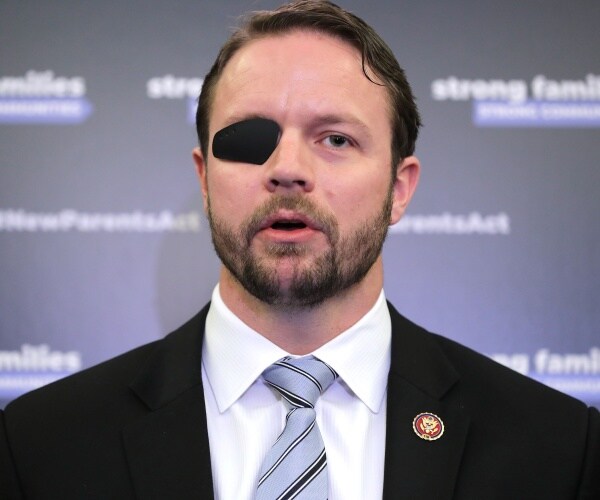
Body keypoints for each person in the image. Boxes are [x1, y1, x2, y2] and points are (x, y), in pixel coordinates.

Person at [1, 1, 599, 498]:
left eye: (335, 138)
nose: (287, 168)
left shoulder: (557, 449)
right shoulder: (40, 446)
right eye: (250, 137)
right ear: (205, 177)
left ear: (399, 188)